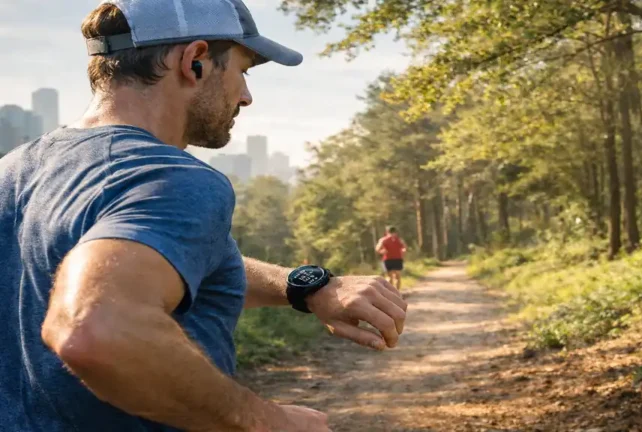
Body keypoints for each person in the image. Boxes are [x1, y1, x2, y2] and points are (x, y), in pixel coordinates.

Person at [0, 1, 408, 431]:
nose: (246, 96)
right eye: (242, 70)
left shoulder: (15, 171)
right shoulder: (169, 177)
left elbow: (150, 264)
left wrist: (303, 287)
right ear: (194, 61)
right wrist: (265, 421)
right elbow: (93, 328)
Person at [376, 226, 408, 291]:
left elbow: (377, 249)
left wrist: (382, 251)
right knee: (396, 277)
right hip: (395, 259)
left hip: (390, 259)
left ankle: (392, 292)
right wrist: (403, 251)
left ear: (387, 232)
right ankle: (396, 292)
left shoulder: (384, 239)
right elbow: (405, 248)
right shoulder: (398, 239)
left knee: (391, 277)